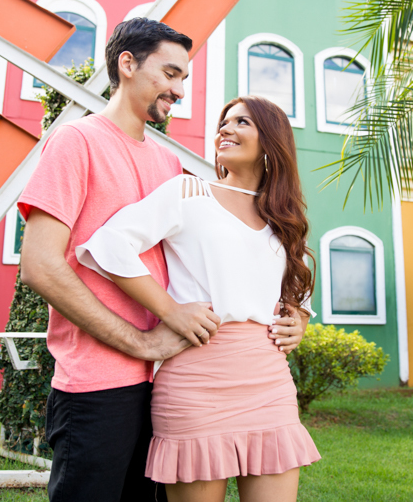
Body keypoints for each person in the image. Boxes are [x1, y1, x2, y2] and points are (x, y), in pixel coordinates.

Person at [17, 19, 308, 502]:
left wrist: (294, 313)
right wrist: (144, 338)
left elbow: (227, 258)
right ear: (127, 64)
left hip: (162, 373)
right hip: (99, 381)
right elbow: (41, 265)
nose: (178, 90)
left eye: (183, 79)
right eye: (170, 74)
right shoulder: (76, 141)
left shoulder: (169, 165)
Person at [76, 95, 321, 502]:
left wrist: (300, 320)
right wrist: (169, 310)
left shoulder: (284, 214)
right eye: (224, 123)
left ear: (272, 141)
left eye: (242, 122)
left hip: (269, 382)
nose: (225, 129)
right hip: (196, 380)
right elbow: (109, 245)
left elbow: (297, 288)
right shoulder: (188, 192)